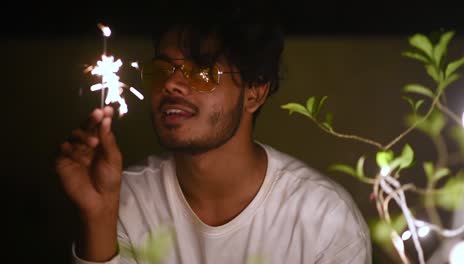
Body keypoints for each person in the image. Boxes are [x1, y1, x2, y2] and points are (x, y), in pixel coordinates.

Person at [55, 13, 372, 264]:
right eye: (162, 70)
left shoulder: (323, 219)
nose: (172, 85)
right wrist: (98, 215)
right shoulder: (127, 201)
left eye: (202, 71)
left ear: (254, 92)